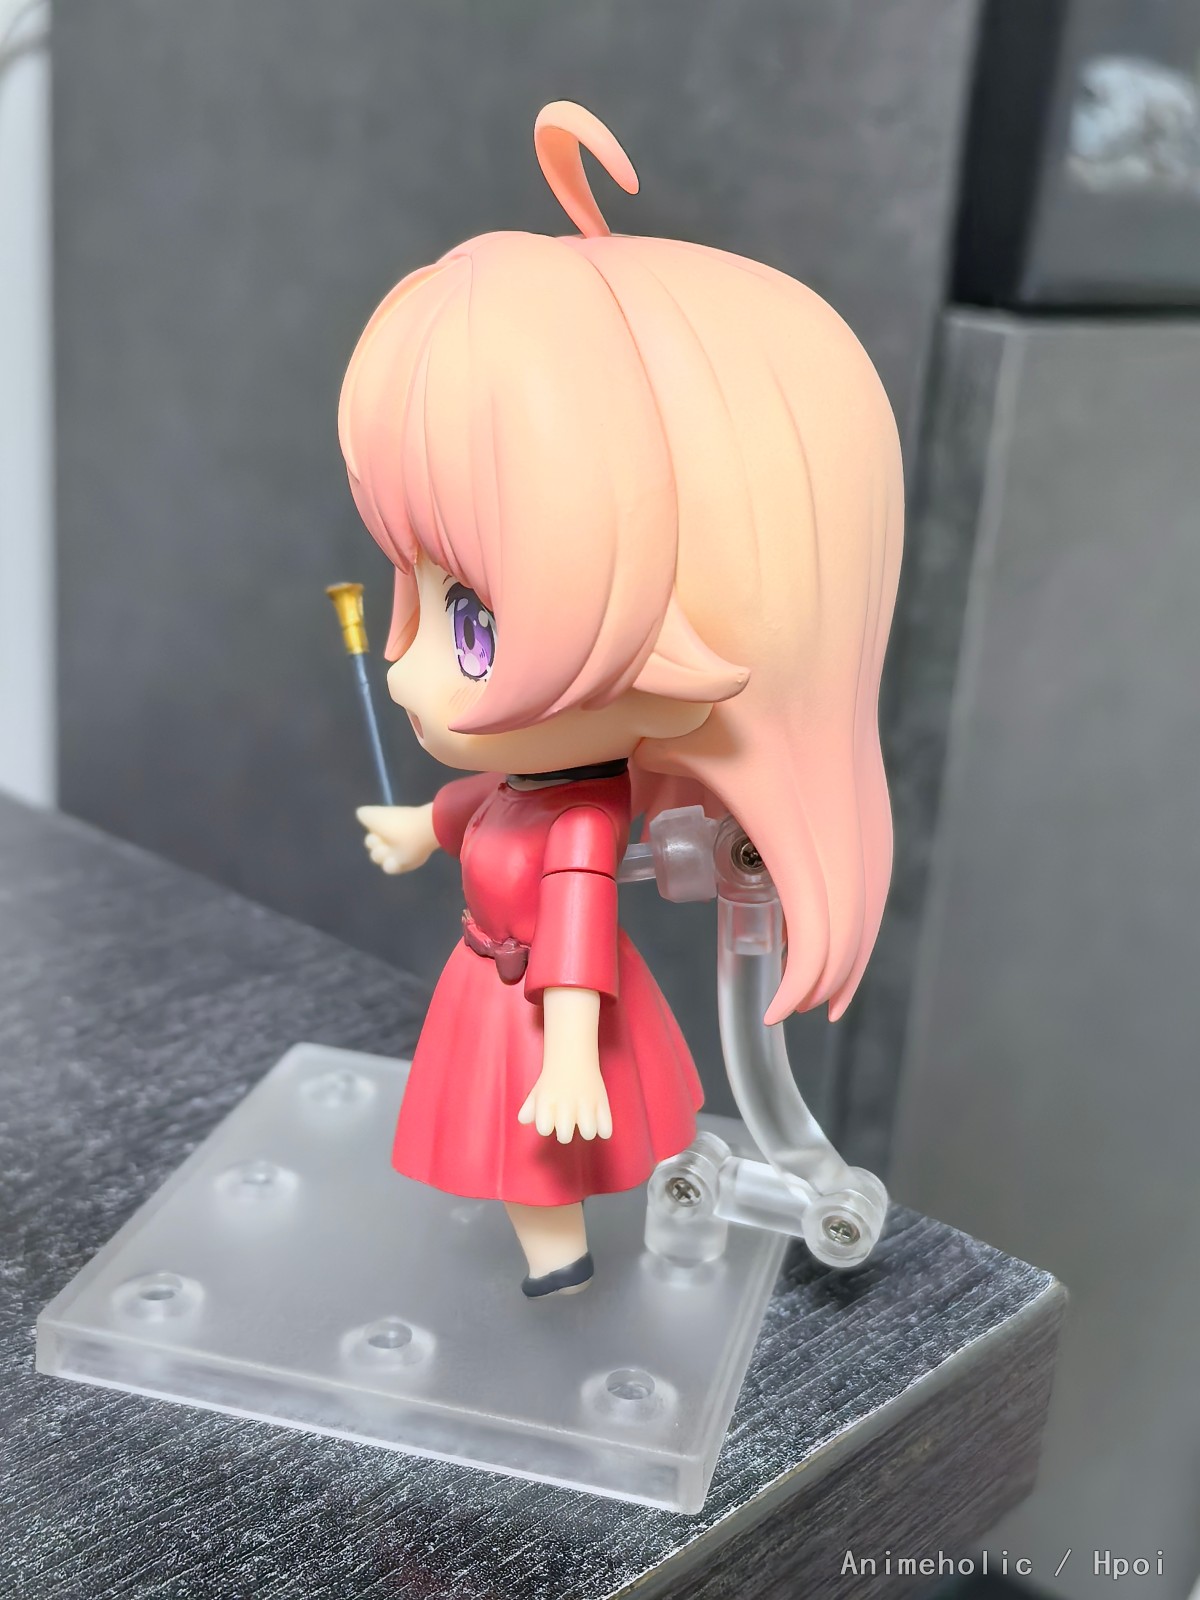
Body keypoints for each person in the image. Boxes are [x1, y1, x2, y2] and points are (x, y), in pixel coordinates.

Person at [338, 100, 903, 1297]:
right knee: (509, 1157)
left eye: (472, 618)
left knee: (537, 1160)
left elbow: (577, 931)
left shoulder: (588, 824)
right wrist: (422, 824)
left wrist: (572, 1055)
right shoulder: (537, 788)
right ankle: (553, 1259)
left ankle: (558, 1271)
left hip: (538, 1005)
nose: (405, 667)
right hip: (490, 988)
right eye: (421, 588)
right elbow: (487, 809)